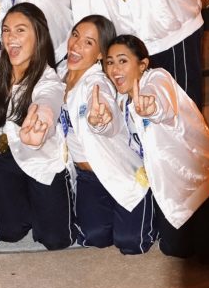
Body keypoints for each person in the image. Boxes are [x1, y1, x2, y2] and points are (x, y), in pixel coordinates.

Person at [106, 34, 209, 263]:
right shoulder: (122, 99)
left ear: (142, 65)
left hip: (202, 180)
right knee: (175, 250)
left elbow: (162, 104)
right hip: (171, 191)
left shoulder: (158, 79)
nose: (114, 68)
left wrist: (152, 108)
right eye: (110, 62)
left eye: (122, 60)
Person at [62, 16, 155, 254]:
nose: (76, 45)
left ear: (100, 54)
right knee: (97, 237)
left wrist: (100, 121)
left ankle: (157, 198)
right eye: (75, 35)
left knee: (131, 243)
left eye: (88, 43)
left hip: (119, 172)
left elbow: (107, 114)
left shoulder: (96, 82)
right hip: (87, 179)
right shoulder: (60, 72)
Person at [0, 3, 76, 250]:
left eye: (20, 30)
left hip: (41, 160)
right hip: (4, 157)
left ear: (38, 35)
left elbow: (47, 101)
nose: (11, 37)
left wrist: (41, 124)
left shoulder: (48, 79)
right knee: (9, 232)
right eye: (6, 30)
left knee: (56, 240)